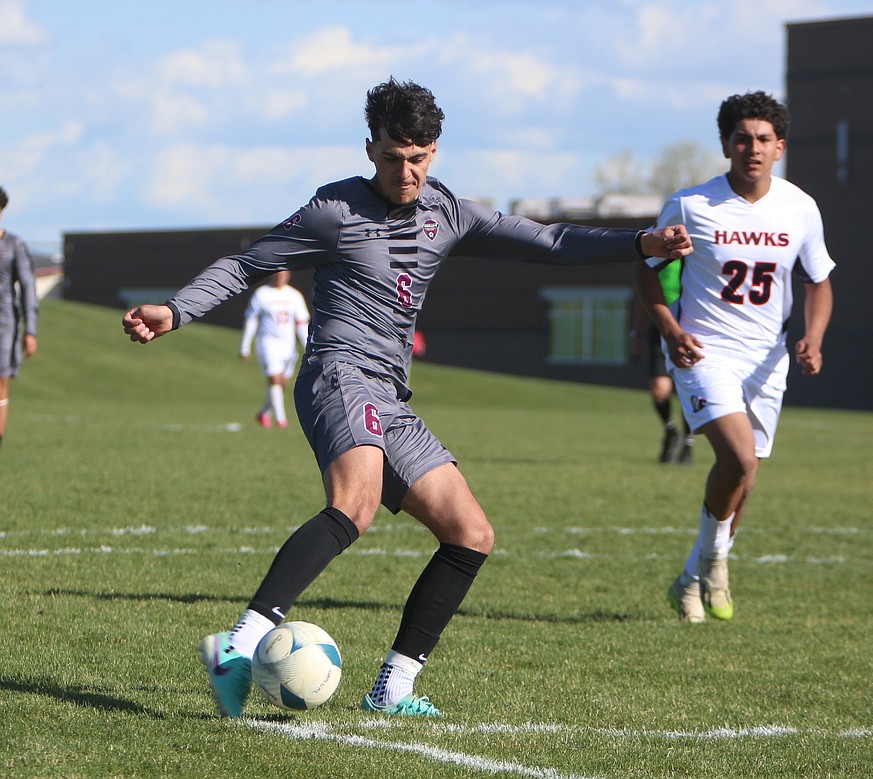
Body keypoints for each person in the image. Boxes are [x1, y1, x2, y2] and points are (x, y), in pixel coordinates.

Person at [122, 77, 692, 718]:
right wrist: (176, 310)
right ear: (371, 150)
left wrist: (641, 243)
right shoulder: (331, 211)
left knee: (470, 533)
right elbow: (246, 263)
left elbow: (552, 242)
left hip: (391, 396)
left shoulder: (450, 212)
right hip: (339, 373)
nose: (405, 171)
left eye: (417, 158)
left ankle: (393, 687)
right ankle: (238, 646)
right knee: (354, 506)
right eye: (393, 157)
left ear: (435, 152)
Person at [634, 91, 836, 624]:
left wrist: (813, 337)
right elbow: (645, 270)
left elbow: (819, 282)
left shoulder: (801, 207)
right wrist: (671, 329)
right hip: (704, 351)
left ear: (780, 148)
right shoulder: (691, 204)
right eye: (742, 138)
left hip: (767, 360)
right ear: (725, 144)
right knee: (739, 459)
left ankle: (690, 576)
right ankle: (716, 562)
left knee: (746, 478)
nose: (753, 147)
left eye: (763, 139)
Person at [628, 259, 693, 464]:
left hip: (693, 327)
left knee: (690, 390)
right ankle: (671, 431)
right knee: (659, 390)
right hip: (661, 327)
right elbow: (645, 296)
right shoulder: (660, 255)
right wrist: (636, 334)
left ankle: (688, 443)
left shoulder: (698, 253)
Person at [239, 270, 310, 429]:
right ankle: (281, 420)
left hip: (288, 345)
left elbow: (301, 322)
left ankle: (265, 412)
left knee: (282, 382)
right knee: (274, 379)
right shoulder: (262, 294)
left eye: (283, 274)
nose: (280, 277)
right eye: (277, 273)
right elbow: (251, 320)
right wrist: (245, 347)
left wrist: (307, 345)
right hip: (268, 342)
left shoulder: (294, 295)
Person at [0, 186, 39, 451]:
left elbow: (28, 288)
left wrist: (30, 330)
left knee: (0, 386)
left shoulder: (14, 245)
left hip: (4, 323)